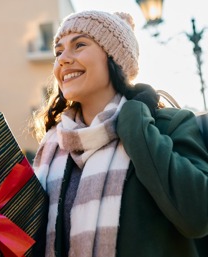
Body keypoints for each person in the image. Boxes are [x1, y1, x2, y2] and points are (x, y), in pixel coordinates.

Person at [31, 9, 208, 257]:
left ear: (115, 57)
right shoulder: (53, 146)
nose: (63, 59)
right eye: (58, 51)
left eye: (79, 45)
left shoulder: (169, 125)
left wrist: (135, 124)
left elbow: (198, 216)